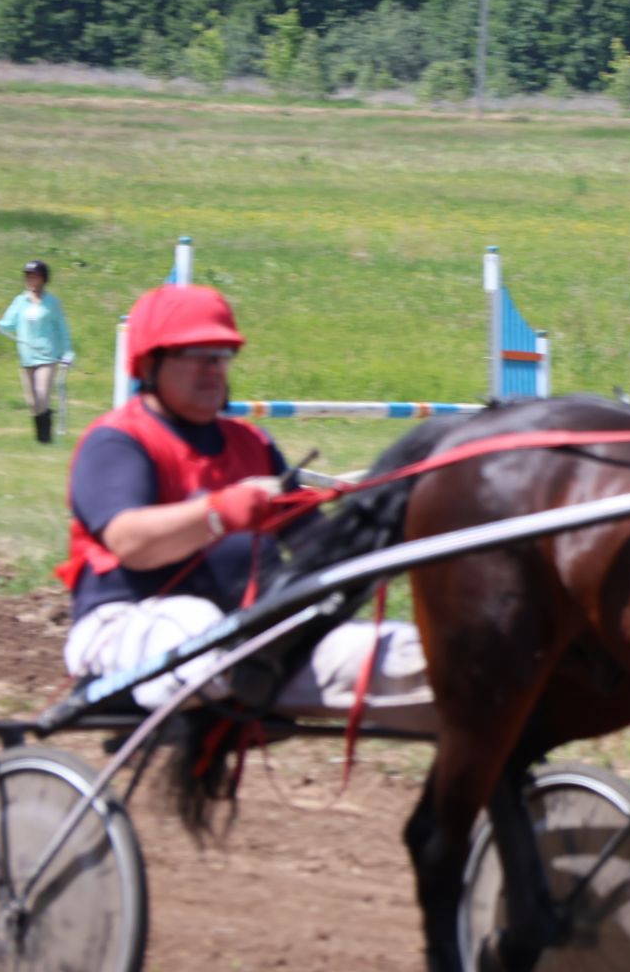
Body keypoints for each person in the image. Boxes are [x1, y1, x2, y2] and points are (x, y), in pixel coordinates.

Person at [56, 283, 434, 729]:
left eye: (222, 355)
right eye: (197, 355)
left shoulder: (251, 443)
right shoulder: (118, 440)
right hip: (125, 628)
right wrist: (218, 513)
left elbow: (314, 546)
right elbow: (130, 542)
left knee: (429, 662)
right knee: (197, 625)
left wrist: (389, 518)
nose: (213, 369)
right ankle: (236, 684)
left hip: (254, 639)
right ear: (151, 363)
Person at [0, 260, 74, 444]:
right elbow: (8, 324)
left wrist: (68, 353)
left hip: (47, 357)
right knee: (32, 403)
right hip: (26, 358)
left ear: (43, 279)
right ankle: (42, 437)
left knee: (42, 395)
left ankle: (45, 440)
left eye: (34, 276)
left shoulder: (52, 303)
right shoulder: (20, 301)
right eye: (27, 276)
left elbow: (62, 329)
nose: (29, 279)